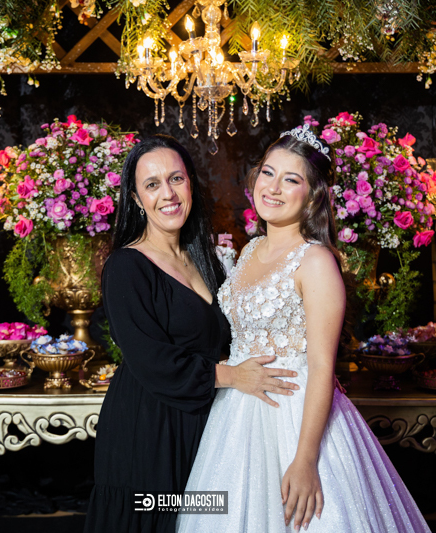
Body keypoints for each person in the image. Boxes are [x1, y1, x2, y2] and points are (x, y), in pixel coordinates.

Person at [177, 125, 431, 533]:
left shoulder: (315, 262)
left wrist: (306, 459)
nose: (273, 187)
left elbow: (322, 366)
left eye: (291, 179)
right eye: (268, 172)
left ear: (313, 195)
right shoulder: (250, 249)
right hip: (237, 415)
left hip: (294, 415)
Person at [83, 135, 300, 533]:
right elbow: (150, 359)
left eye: (176, 179)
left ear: (191, 184)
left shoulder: (205, 261)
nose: (168, 194)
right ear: (136, 198)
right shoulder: (126, 266)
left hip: (204, 422)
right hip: (149, 430)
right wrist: (234, 377)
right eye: (152, 184)